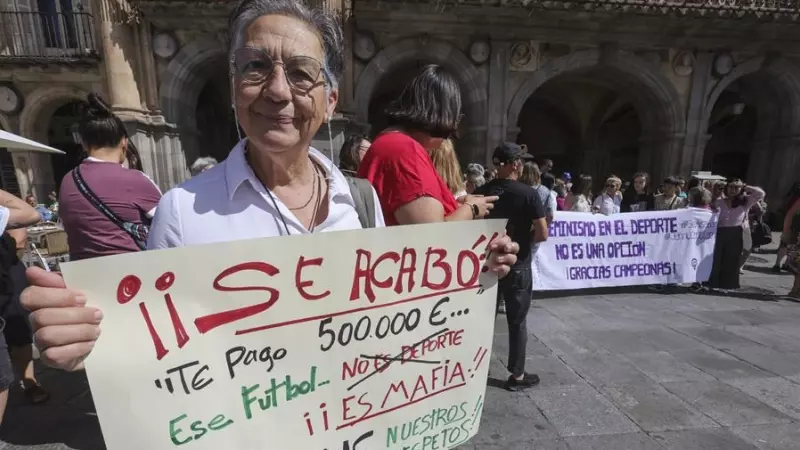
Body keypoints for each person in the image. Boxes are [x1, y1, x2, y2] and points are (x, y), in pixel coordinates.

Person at [21, 0, 519, 373]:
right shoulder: (181, 211)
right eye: (257, 67)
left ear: (329, 101)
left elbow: (397, 312)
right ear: (235, 85)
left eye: (301, 74)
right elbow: (155, 349)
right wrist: (89, 343)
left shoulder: (361, 202)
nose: (278, 90)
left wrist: (475, 269)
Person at [358, 64, 498, 225]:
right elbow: (432, 235)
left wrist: (458, 204)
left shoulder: (392, 143)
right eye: (454, 119)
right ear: (441, 114)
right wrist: (471, 209)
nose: (451, 132)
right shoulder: (404, 151)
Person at [476, 143, 548, 391]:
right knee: (517, 322)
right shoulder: (528, 193)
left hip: (487, 263)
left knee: (483, 320)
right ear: (516, 164)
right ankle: (517, 375)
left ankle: (473, 369)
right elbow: (542, 233)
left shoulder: (481, 191)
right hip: (518, 264)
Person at [58, 94, 163, 261]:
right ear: (124, 142)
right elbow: (168, 224)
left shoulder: (67, 180)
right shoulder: (135, 180)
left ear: (84, 144)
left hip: (82, 274)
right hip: (130, 274)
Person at [0, 189, 40, 425]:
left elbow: (21, 236)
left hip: (9, 270)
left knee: (19, 327)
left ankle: (29, 380)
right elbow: (29, 214)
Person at [707, 180, 765, 291]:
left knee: (731, 260)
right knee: (716, 258)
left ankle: (726, 285)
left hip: (736, 232)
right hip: (719, 232)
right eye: (731, 187)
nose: (733, 190)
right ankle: (711, 284)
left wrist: (746, 186)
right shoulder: (719, 201)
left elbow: (760, 193)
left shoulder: (746, 201)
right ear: (726, 188)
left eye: (736, 187)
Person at [774, 182, 800, 272]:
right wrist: (786, 229)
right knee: (786, 245)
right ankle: (778, 264)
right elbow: (790, 214)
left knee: (792, 247)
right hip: (795, 227)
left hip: (794, 226)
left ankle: (786, 264)